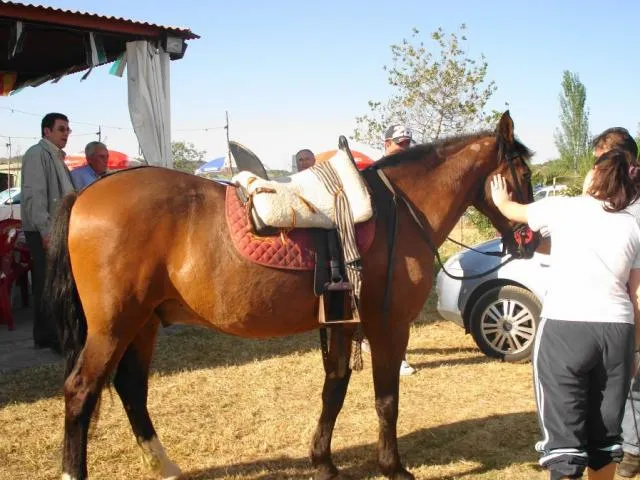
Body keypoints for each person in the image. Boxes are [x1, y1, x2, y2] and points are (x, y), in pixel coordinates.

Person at [491, 147, 640, 480]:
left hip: (565, 328)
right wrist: (633, 349)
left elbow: (509, 210)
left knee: (564, 443)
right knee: (604, 439)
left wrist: (499, 193)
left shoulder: (562, 208)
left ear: (594, 176)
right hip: (617, 330)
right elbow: (634, 295)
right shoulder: (635, 221)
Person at [362, 124, 417, 376]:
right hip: (376, 247)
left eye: (407, 143)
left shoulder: (415, 174)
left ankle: (398, 355)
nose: (403, 147)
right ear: (386, 144)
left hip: (403, 247)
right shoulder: (373, 174)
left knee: (397, 304)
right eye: (399, 143)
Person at [21, 112, 75, 352]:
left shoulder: (57, 157)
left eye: (67, 130)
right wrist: (46, 231)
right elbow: (35, 197)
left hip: (58, 228)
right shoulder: (37, 154)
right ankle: (47, 336)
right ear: (47, 131)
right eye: (61, 129)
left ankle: (55, 335)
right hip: (45, 230)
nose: (66, 134)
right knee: (47, 283)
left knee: (58, 281)